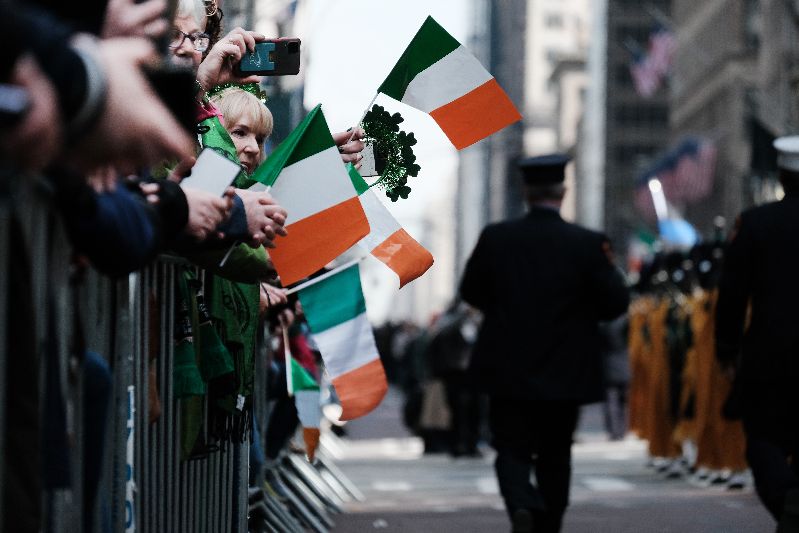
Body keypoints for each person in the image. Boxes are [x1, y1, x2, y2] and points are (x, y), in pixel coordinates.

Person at [459, 154, 630, 533]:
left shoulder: (496, 238)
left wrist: (505, 311)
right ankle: (548, 522)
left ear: (526, 192)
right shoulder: (588, 244)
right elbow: (616, 301)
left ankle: (522, 502)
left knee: (511, 448)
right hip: (565, 367)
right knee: (556, 452)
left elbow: (470, 290)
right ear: (564, 192)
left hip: (507, 366)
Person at [715, 135, 799, 530]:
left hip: (770, 354)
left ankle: (785, 499)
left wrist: (726, 351)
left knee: (763, 440)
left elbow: (731, 295)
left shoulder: (754, 224)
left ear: (781, 176)